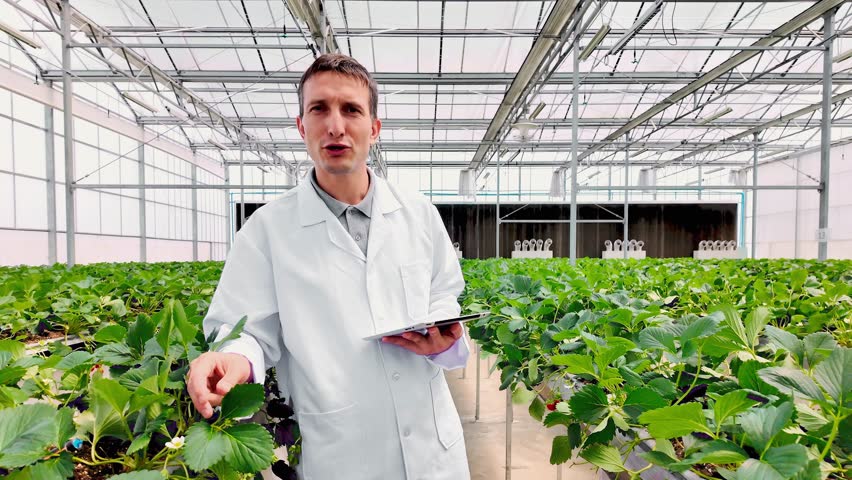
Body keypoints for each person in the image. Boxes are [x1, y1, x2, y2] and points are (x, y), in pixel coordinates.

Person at [186, 53, 471, 480]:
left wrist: (444, 337)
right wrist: (234, 361)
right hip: (340, 453)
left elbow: (444, 292)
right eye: (319, 108)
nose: (335, 125)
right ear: (302, 126)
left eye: (351, 109)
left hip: (433, 451)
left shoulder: (419, 214)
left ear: (374, 128)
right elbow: (245, 331)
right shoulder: (266, 231)